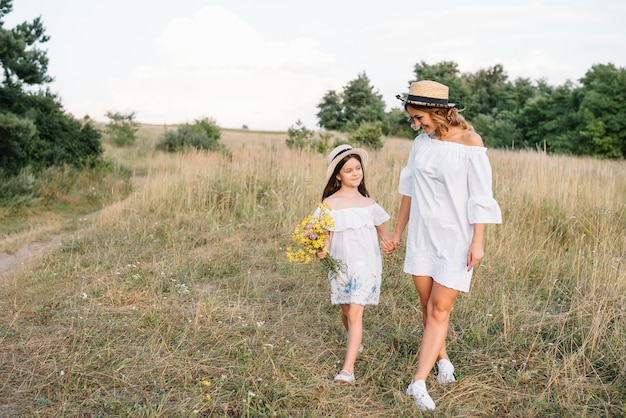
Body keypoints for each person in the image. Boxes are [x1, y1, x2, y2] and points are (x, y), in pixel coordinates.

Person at [384, 80, 502, 411]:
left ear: (438, 111)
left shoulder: (471, 143)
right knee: (428, 308)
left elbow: (480, 197)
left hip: (456, 238)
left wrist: (478, 240)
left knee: (439, 309)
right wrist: (397, 232)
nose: (416, 125)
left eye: (419, 117)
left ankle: (417, 383)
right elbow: (408, 189)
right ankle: (443, 358)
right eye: (412, 119)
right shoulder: (420, 144)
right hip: (423, 236)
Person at [315, 144, 392, 383]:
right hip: (340, 265)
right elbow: (324, 235)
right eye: (349, 170)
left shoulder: (369, 204)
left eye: (358, 168)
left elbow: (383, 231)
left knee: (356, 312)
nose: (356, 173)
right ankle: (354, 342)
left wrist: (388, 242)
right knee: (346, 312)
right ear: (338, 175)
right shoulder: (329, 204)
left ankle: (348, 370)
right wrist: (321, 250)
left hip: (366, 264)